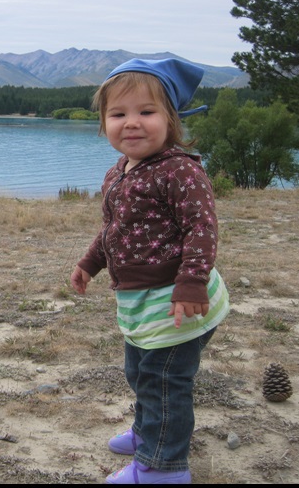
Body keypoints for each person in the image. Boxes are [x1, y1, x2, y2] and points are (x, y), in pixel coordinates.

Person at [70, 58, 230, 484]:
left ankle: (163, 469)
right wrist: (91, 262)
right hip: (141, 300)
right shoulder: (118, 171)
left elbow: (202, 228)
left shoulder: (180, 170)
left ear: (172, 119)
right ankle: (148, 434)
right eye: (119, 114)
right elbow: (114, 229)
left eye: (147, 112)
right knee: (140, 373)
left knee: (164, 382)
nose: (132, 123)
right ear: (104, 124)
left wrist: (192, 282)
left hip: (178, 301)